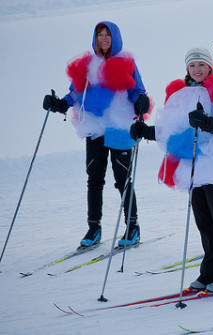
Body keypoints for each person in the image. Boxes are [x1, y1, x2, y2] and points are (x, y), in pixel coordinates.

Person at [130, 47, 213, 293]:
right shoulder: (184, 94)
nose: (197, 70)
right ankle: (210, 272)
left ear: (210, 66)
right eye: (192, 65)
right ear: (187, 69)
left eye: (202, 65)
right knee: (205, 224)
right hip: (195, 168)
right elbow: (175, 132)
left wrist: (207, 122)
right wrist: (146, 132)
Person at [43, 21, 151, 248]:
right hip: (94, 127)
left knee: (123, 179)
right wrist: (60, 104)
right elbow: (76, 92)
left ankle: (132, 227)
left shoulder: (126, 62)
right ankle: (94, 228)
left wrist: (141, 101)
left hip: (120, 125)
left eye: (107, 35)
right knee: (94, 179)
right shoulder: (88, 64)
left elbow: (137, 90)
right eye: (100, 34)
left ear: (115, 38)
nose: (103, 38)